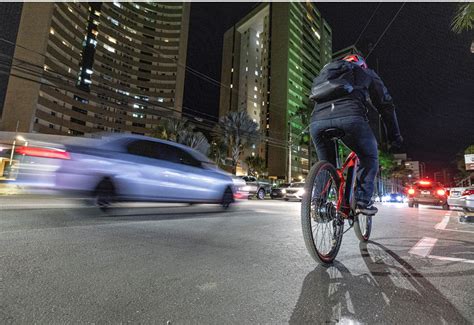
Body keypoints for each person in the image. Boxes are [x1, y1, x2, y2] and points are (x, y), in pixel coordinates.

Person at [309, 54, 403, 215]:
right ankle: (361, 201)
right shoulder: (367, 73)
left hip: (317, 122)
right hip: (351, 119)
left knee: (326, 163)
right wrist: (394, 135)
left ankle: (318, 205)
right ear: (362, 65)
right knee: (369, 156)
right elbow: (385, 105)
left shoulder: (326, 72)